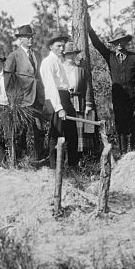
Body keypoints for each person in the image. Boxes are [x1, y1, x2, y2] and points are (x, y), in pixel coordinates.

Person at [88, 26, 135, 154]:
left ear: (126, 42)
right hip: (119, 97)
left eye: (122, 41)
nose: (120, 44)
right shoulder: (110, 56)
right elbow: (97, 44)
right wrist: (89, 28)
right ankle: (123, 153)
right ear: (114, 44)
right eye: (117, 42)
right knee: (121, 125)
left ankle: (133, 152)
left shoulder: (134, 57)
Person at [4, 23, 45, 161]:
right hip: (22, 100)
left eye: (31, 36)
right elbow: (8, 79)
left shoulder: (38, 55)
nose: (30, 39)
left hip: (37, 99)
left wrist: (43, 97)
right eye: (27, 37)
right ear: (20, 39)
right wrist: (12, 100)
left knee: (39, 129)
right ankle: (21, 160)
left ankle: (39, 159)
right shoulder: (14, 56)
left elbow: (40, 77)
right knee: (21, 131)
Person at [40, 33, 80, 169]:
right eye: (58, 46)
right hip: (55, 100)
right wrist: (59, 107)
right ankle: (55, 169)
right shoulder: (48, 62)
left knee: (71, 134)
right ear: (51, 47)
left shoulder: (59, 61)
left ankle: (73, 167)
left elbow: (64, 83)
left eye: (63, 46)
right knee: (56, 135)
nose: (62, 49)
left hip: (65, 98)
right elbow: (51, 87)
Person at [61, 42, 95, 157]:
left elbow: (87, 87)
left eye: (73, 54)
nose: (70, 57)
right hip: (64, 102)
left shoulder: (80, 70)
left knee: (78, 130)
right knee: (66, 130)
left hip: (78, 102)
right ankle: (64, 158)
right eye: (68, 54)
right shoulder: (60, 69)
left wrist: (88, 104)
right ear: (63, 55)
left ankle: (77, 159)